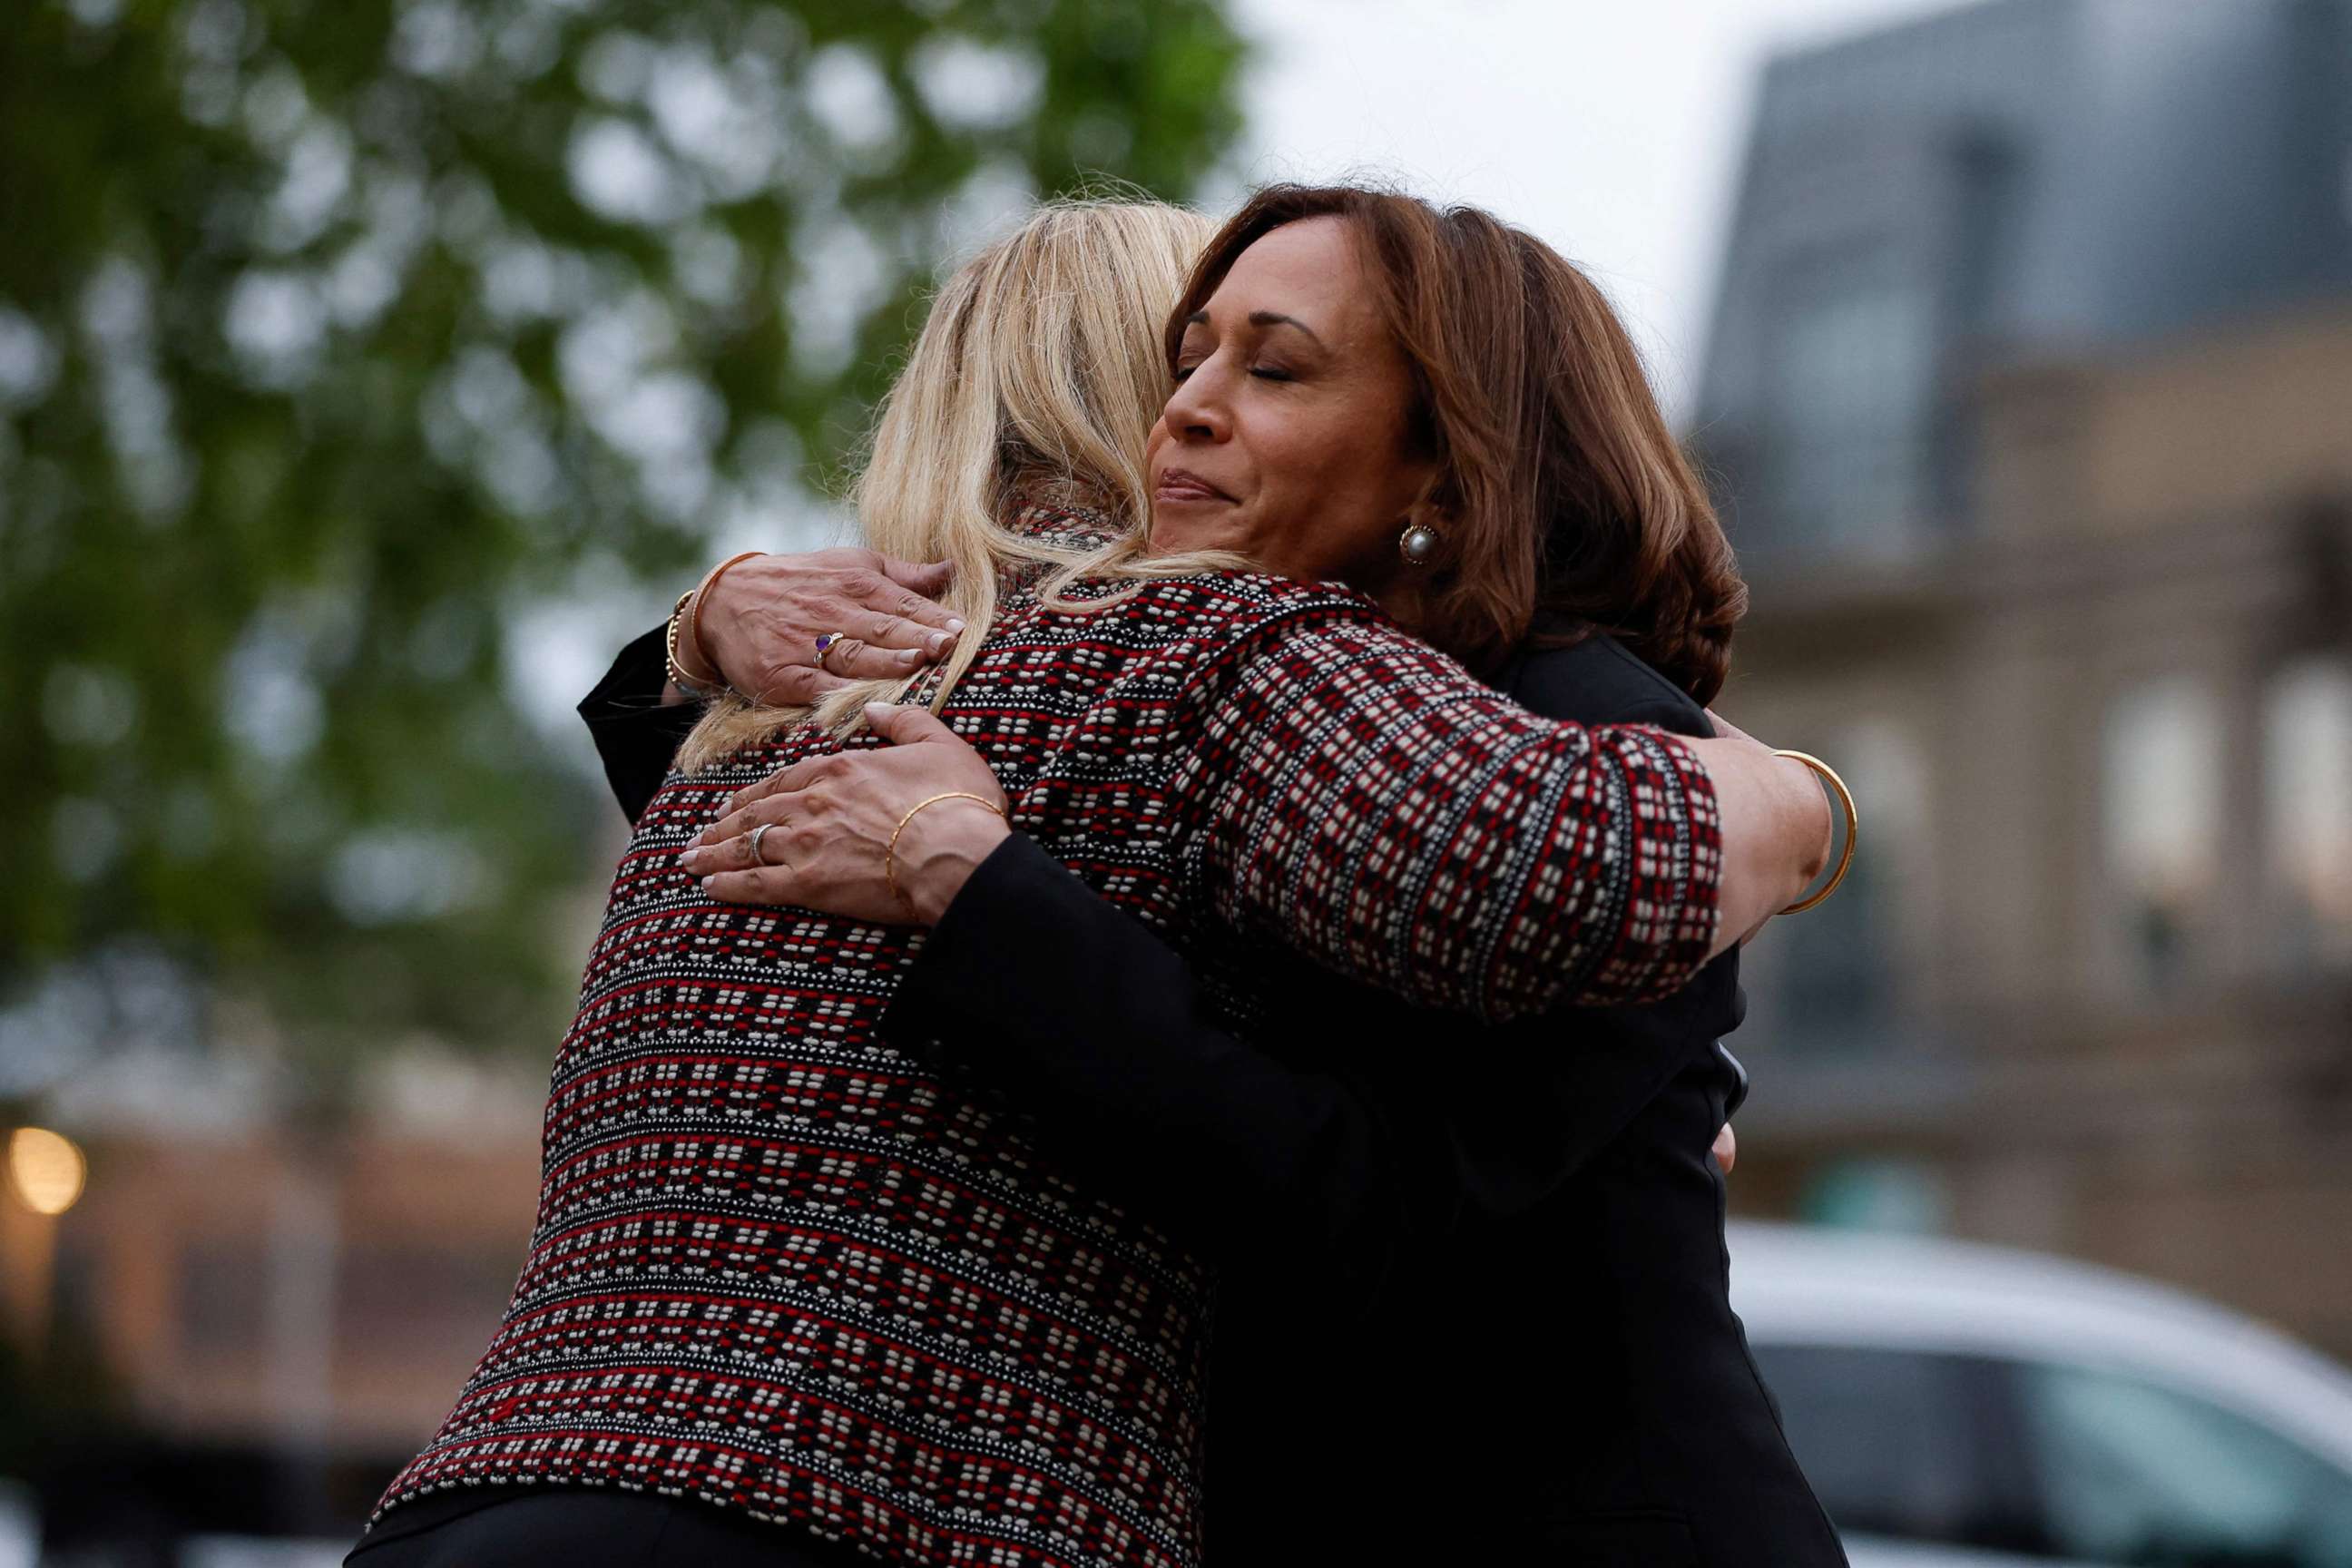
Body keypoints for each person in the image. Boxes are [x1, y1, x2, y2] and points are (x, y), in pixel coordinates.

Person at [352, 198, 1827, 1568]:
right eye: (1182, 357)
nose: (1191, 410)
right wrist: (699, 629)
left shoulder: (1554, 721)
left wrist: (1805, 804)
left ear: (1443, 457)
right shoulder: (1119, 690)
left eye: (1275, 368)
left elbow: (1369, 1206)